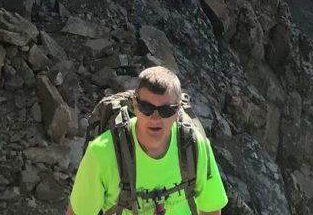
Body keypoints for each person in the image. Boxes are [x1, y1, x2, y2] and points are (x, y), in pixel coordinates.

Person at [66, 67, 227, 215]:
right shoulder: (102, 153)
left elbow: (211, 210)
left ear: (178, 110)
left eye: (165, 110)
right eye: (147, 108)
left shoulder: (194, 145)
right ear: (135, 105)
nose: (155, 118)